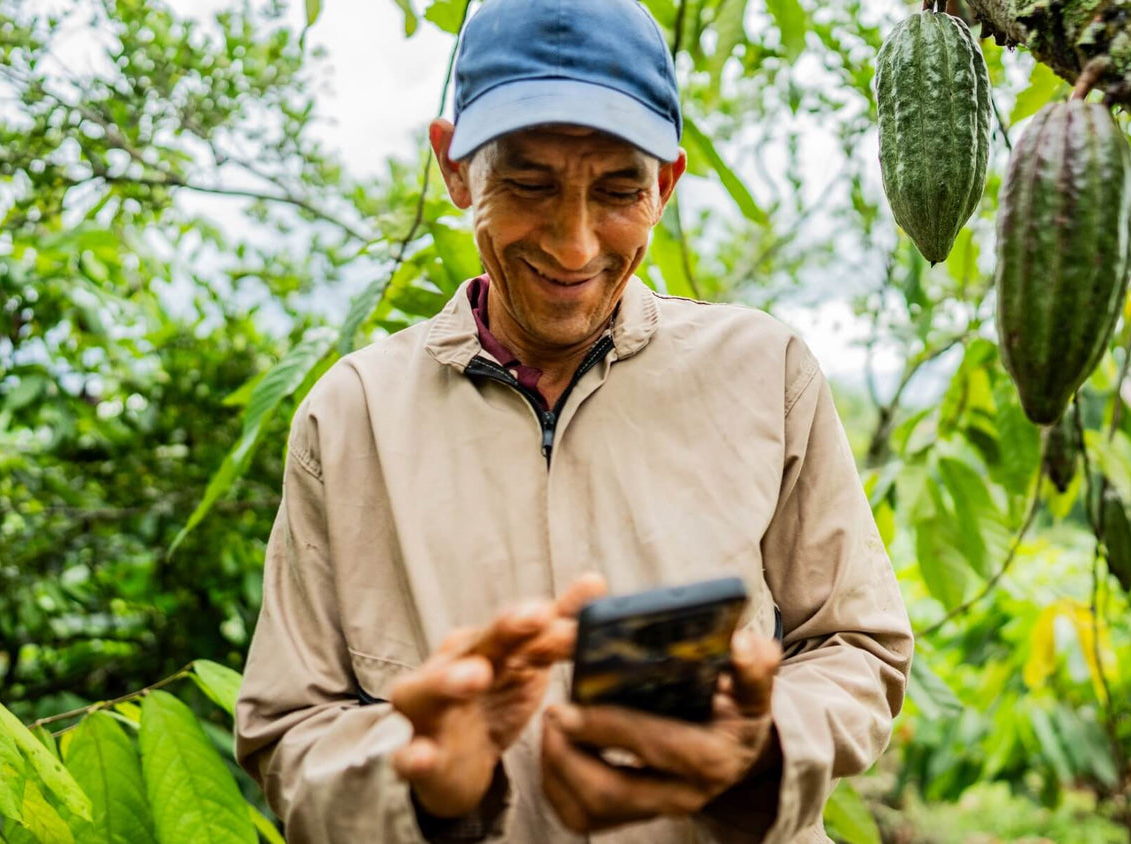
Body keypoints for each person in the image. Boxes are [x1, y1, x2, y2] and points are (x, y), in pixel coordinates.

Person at [232, 0, 913, 840]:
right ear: (454, 167)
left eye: (620, 189)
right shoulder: (353, 415)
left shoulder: (764, 372)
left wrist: (762, 745)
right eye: (527, 184)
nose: (575, 246)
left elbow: (858, 648)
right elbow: (288, 731)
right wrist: (418, 786)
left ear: (665, 185)